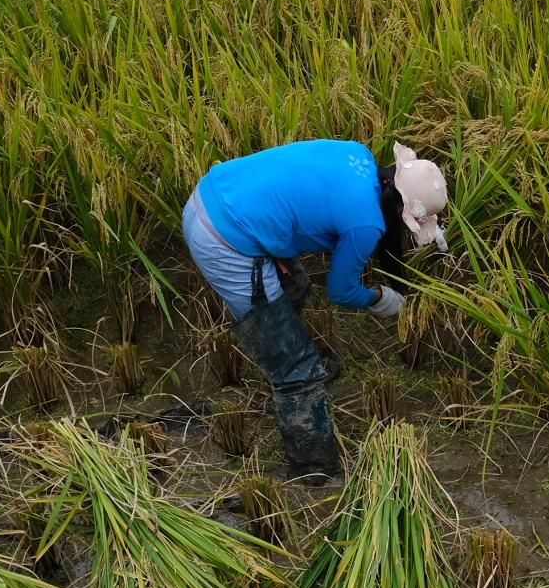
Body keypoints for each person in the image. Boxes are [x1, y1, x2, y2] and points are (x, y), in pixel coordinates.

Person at [182, 139, 448, 482]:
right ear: (401, 211)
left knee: (295, 287)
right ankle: (312, 469)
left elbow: (296, 189)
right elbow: (341, 291)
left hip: (216, 193)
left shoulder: (358, 154)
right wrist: (382, 298)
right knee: (297, 370)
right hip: (223, 240)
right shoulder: (366, 224)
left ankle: (288, 359)